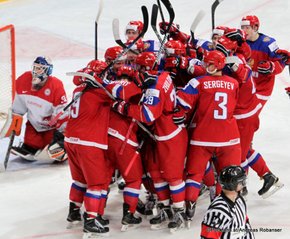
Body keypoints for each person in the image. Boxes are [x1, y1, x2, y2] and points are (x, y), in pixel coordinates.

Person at [176, 50, 241, 222]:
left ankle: (189, 206)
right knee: (227, 174)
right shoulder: (233, 83)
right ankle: (223, 207)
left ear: (219, 64)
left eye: (210, 63)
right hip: (229, 137)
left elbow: (180, 104)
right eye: (206, 63)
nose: (207, 66)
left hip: (202, 137)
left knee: (194, 174)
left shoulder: (198, 82)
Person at [64, 60, 114, 237]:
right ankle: (91, 220)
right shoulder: (99, 92)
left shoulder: (79, 89)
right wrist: (103, 83)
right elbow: (119, 94)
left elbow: (78, 80)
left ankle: (74, 212)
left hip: (71, 140)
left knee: (79, 180)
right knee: (97, 183)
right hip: (89, 143)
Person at [0, 56, 68, 162]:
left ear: (48, 70)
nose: (36, 71)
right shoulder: (24, 80)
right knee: (31, 144)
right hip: (34, 126)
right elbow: (19, 104)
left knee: (54, 150)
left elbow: (61, 111)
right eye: (35, 67)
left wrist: (62, 133)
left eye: (40, 68)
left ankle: (65, 148)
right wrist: (16, 118)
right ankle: (33, 146)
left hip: (51, 128)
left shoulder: (56, 85)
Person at [200, 165, 255, 239]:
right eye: (242, 182)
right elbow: (208, 236)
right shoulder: (218, 210)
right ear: (234, 184)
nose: (243, 184)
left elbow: (245, 226)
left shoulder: (240, 201)